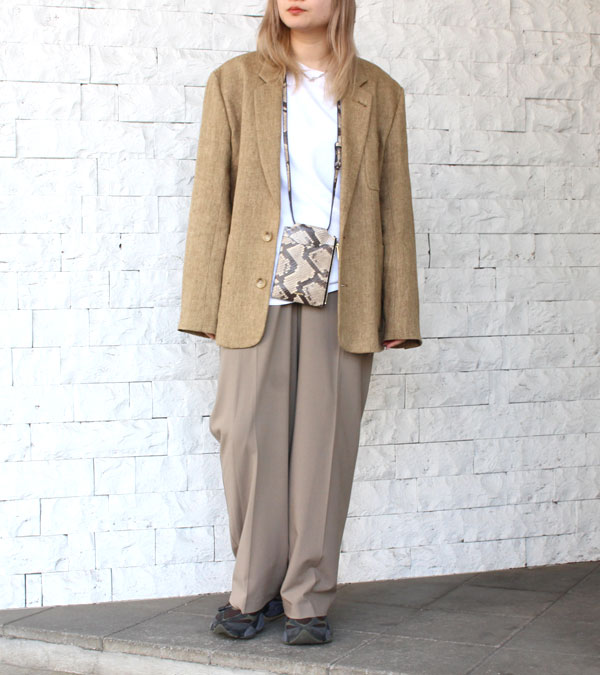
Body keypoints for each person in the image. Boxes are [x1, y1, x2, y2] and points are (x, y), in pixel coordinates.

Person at [177, 0, 422, 646]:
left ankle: (307, 597)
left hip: (344, 292)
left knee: (324, 444)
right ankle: (253, 589)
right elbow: (212, 196)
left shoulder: (380, 93)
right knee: (243, 434)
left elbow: (394, 206)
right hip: (253, 292)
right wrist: (203, 302)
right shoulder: (234, 82)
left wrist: (398, 308)